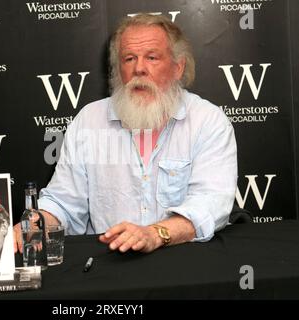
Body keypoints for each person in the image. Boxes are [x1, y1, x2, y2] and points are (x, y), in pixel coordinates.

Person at [14, 13, 237, 254]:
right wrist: (34, 225)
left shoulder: (208, 121)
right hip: (108, 264)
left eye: (152, 57)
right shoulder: (89, 121)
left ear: (177, 67)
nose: (139, 69)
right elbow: (64, 202)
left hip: (181, 259)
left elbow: (211, 203)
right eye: (129, 59)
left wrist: (155, 233)